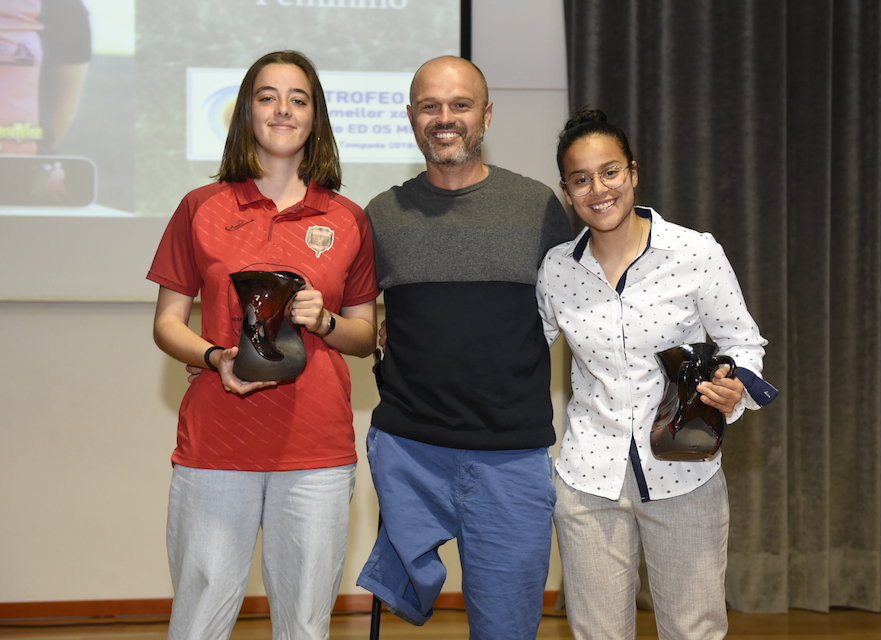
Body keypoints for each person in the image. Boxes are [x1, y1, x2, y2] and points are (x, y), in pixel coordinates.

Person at [146, 50, 378, 640]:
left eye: (298, 99)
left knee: (304, 625)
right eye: (268, 96)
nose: (283, 110)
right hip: (216, 446)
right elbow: (168, 324)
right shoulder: (201, 207)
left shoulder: (348, 218)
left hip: (315, 453)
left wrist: (323, 320)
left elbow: (364, 334)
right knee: (199, 622)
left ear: (315, 116)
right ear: (247, 111)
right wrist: (216, 357)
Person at [536, 109, 777, 639]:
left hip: (685, 470)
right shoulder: (556, 268)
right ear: (567, 191)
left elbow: (743, 340)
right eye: (581, 179)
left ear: (633, 172)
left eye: (610, 172)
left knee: (695, 630)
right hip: (587, 480)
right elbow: (523, 351)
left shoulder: (695, 252)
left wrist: (734, 388)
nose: (598, 189)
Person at [355, 55, 572, 639]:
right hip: (409, 450)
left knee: (506, 627)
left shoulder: (537, 209)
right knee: (397, 592)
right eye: (429, 106)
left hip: (511, 455)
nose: (444, 118)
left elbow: (584, 305)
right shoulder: (381, 214)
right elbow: (351, 314)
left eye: (460, 104)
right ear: (410, 117)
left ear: (487, 115)